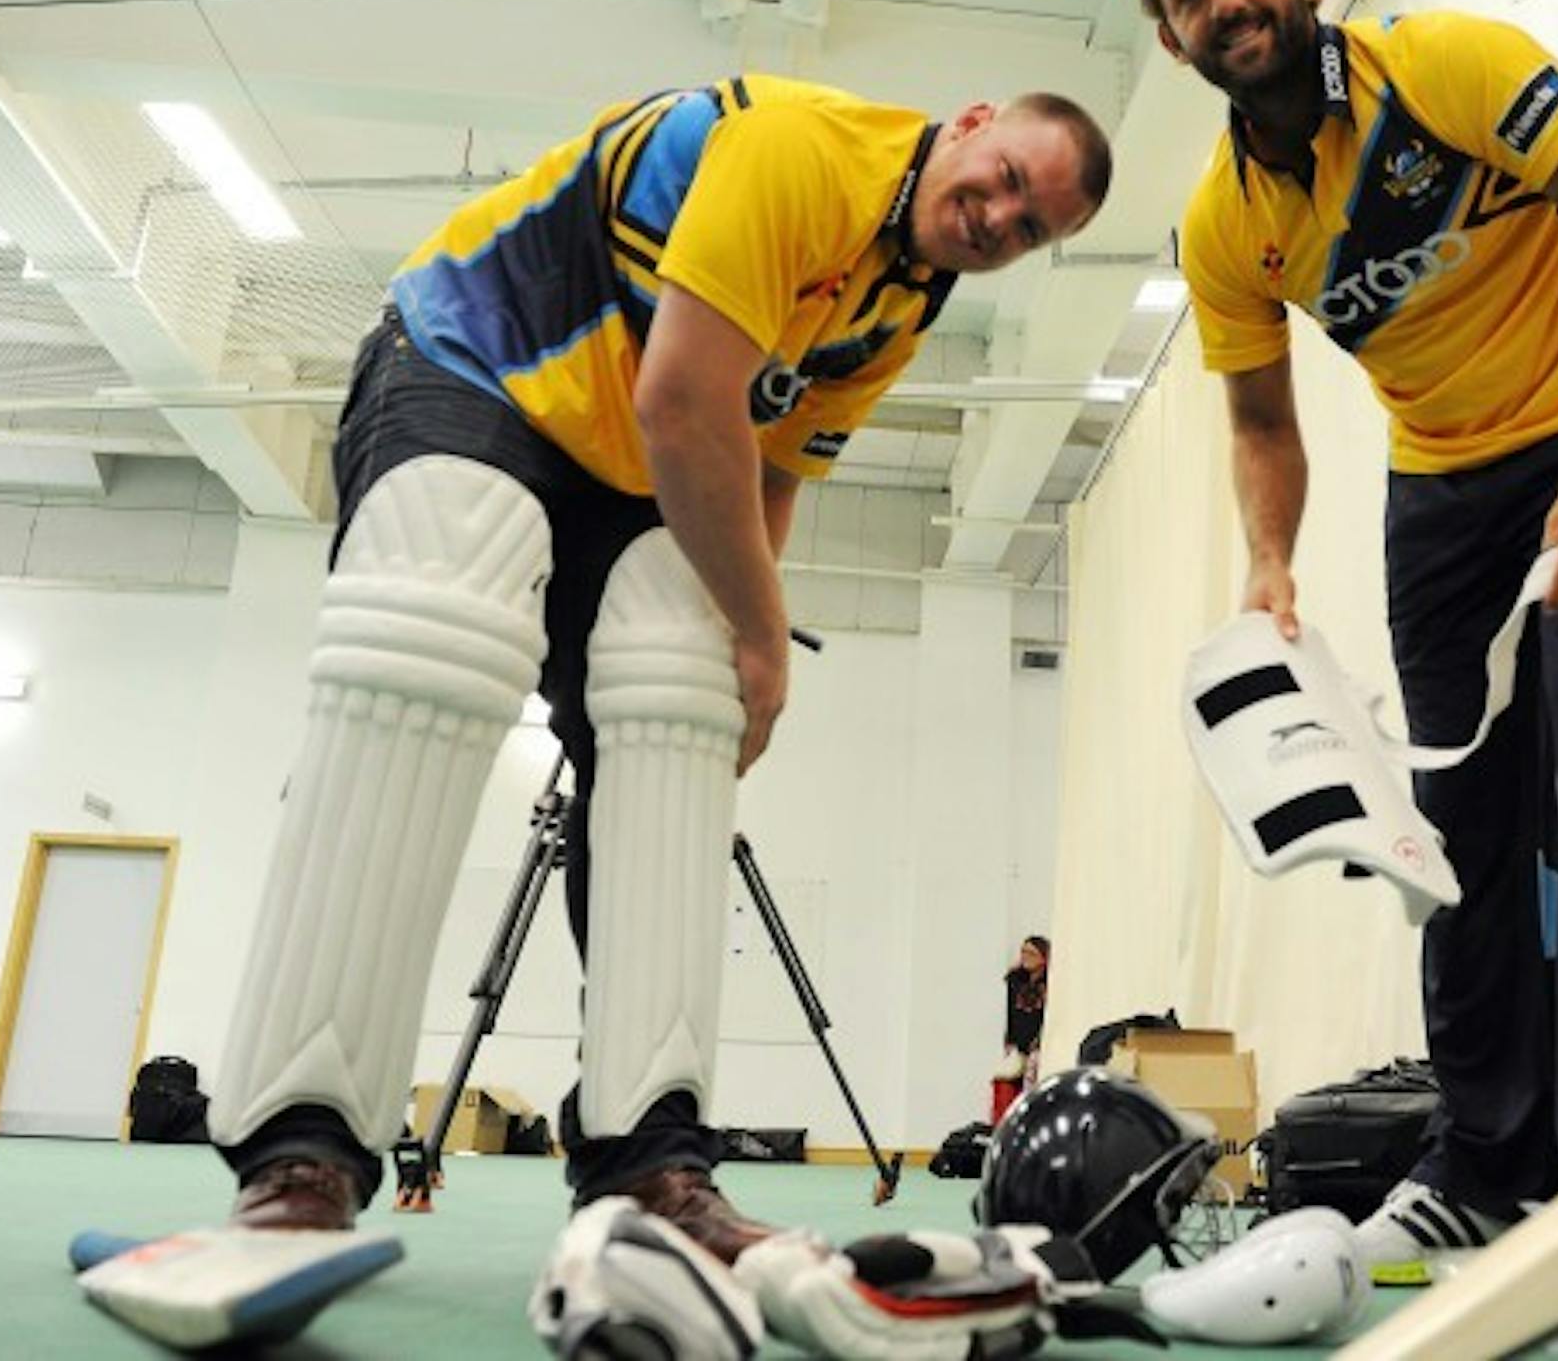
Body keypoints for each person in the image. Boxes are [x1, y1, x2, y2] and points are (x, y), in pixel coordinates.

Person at [195, 74, 1111, 1321]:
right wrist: (772, 641)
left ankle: (650, 1164)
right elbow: (687, 404)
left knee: (680, 701)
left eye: (1033, 226)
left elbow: (773, 463)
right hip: (482, 361)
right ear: (969, 122)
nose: (1000, 217)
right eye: (1005, 177)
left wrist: (742, 652)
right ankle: (299, 1146)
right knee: (435, 617)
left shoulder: (904, 303)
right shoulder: (801, 156)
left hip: (632, 459)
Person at [1130, 0, 1558, 1300]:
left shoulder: (1454, 67)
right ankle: (1483, 1165)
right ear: (1174, 41)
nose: (1227, 3)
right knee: (1445, 829)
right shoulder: (1223, 228)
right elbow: (1264, 424)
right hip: (1436, 506)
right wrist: (1269, 559)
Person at [993, 935, 1050, 1124]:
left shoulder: (1049, 983)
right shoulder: (1016, 981)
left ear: (1044, 958)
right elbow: (1011, 1013)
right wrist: (1009, 1040)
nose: (1026, 957)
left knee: (1032, 1086)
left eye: (1032, 953)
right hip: (1020, 1043)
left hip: (1038, 1044)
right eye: (1023, 952)